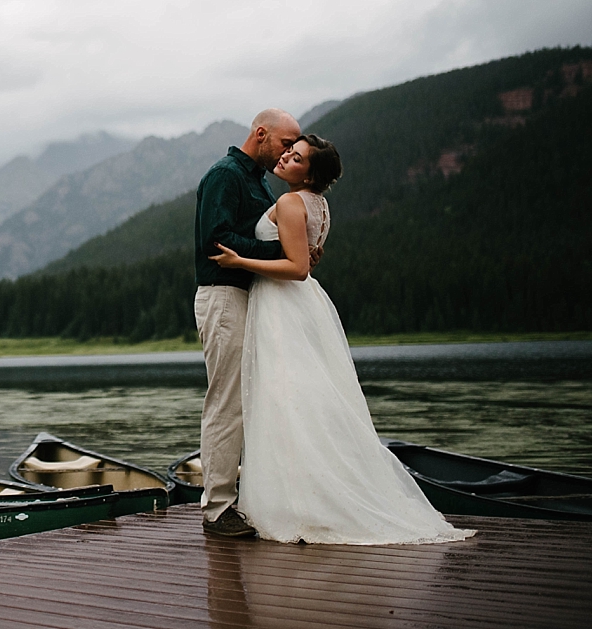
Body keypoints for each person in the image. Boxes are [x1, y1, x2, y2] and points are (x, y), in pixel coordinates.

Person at [210, 135, 473, 544]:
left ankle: (300, 502)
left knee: (283, 399)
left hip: (283, 304)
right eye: (288, 151)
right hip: (299, 305)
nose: (285, 158)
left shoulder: (291, 202)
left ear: (310, 174)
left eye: (296, 158)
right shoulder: (318, 204)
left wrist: (239, 260)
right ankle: (301, 494)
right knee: (304, 398)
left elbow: (297, 267)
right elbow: (306, 254)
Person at [193, 108, 301, 537]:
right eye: (285, 143)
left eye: (294, 148)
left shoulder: (257, 179)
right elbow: (215, 239)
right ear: (261, 134)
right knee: (228, 402)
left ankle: (250, 498)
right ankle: (217, 510)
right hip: (223, 297)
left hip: (250, 298)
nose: (288, 152)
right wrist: (286, 256)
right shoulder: (225, 174)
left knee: (255, 402)